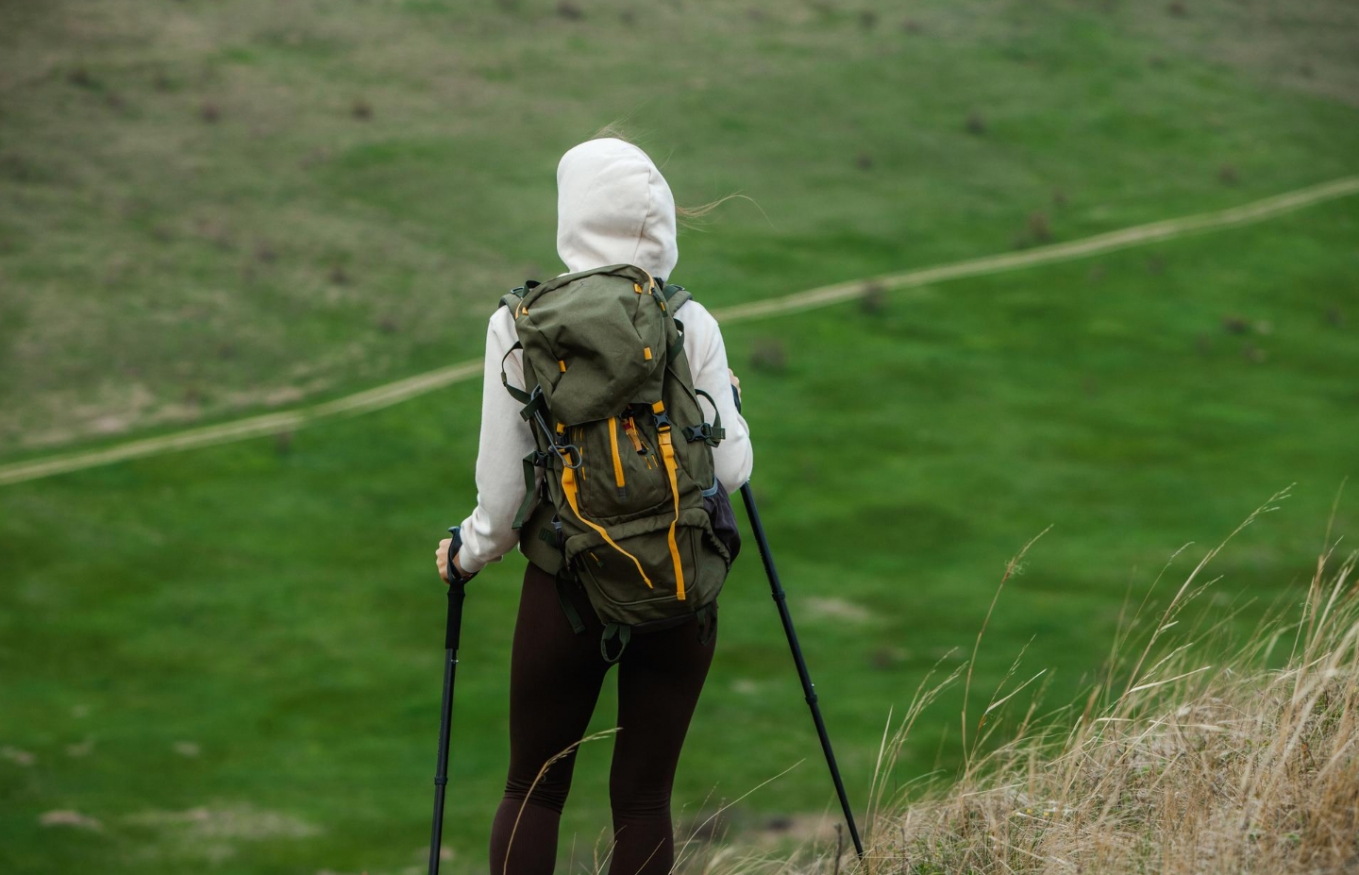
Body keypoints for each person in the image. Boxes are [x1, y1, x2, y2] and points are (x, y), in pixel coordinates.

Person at [435, 136, 754, 875]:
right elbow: (730, 469)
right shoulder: (688, 320)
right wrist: (730, 405)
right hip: (680, 583)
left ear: (570, 216)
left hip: (567, 585)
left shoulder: (520, 325)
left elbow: (504, 497)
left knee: (533, 789)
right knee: (643, 802)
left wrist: (466, 550)